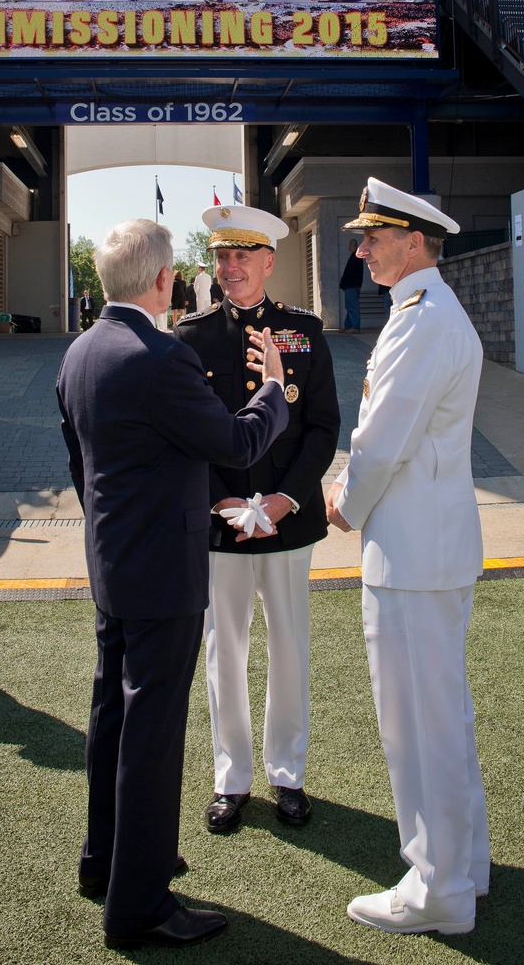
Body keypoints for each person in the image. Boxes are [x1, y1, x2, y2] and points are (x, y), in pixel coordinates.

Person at [55, 219, 287, 949]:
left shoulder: (82, 351)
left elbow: (80, 467)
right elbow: (238, 441)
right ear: (164, 281)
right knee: (151, 737)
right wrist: (275, 387)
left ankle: (110, 861)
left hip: (115, 563)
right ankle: (141, 905)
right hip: (164, 571)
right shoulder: (161, 356)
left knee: (114, 721)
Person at [326, 179, 489, 936]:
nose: (361, 249)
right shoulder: (427, 314)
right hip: (433, 549)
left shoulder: (422, 322)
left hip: (414, 555)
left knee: (417, 726)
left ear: (414, 241)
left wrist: (343, 501)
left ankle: (436, 889)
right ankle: (464, 866)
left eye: (373, 236)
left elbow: (384, 437)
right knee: (441, 716)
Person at [175, 205, 339, 834]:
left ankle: (288, 773)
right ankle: (231, 777)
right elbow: (185, 433)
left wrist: (285, 499)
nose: (232, 267)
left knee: (290, 649)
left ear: (270, 262)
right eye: (223, 256)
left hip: (286, 520)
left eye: (245, 255)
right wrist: (221, 499)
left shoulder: (302, 331)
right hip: (221, 524)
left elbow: (322, 425)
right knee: (226, 651)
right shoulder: (190, 337)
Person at [340, 237, 364, 331]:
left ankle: (354, 326)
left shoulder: (355, 257)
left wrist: (343, 282)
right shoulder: (356, 257)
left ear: (350, 246)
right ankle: (348, 325)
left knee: (352, 306)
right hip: (353, 284)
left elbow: (349, 272)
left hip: (351, 285)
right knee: (350, 306)